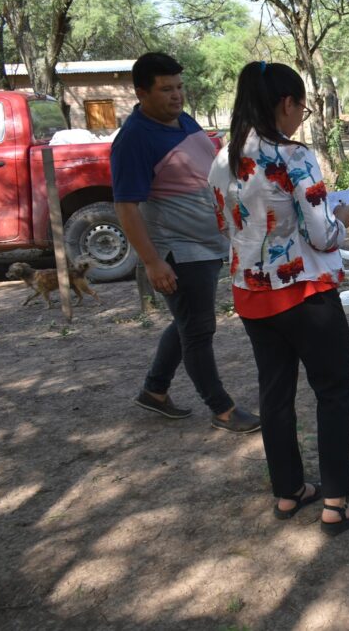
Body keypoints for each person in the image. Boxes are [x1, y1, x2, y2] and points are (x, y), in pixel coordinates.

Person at [208, 61, 349, 534]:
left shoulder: (222, 159)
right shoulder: (294, 155)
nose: (301, 116)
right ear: (286, 103)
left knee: (275, 394)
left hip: (251, 294)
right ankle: (338, 502)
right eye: (302, 107)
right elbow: (323, 236)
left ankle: (289, 491)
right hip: (305, 294)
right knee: (333, 393)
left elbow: (224, 225)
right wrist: (343, 216)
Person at [111, 52, 260, 434]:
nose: (176, 95)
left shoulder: (183, 120)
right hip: (179, 249)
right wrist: (152, 261)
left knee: (188, 321)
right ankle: (221, 408)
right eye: (166, 89)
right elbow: (126, 207)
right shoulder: (134, 139)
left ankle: (154, 390)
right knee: (198, 329)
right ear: (141, 93)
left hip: (207, 242)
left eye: (179, 87)